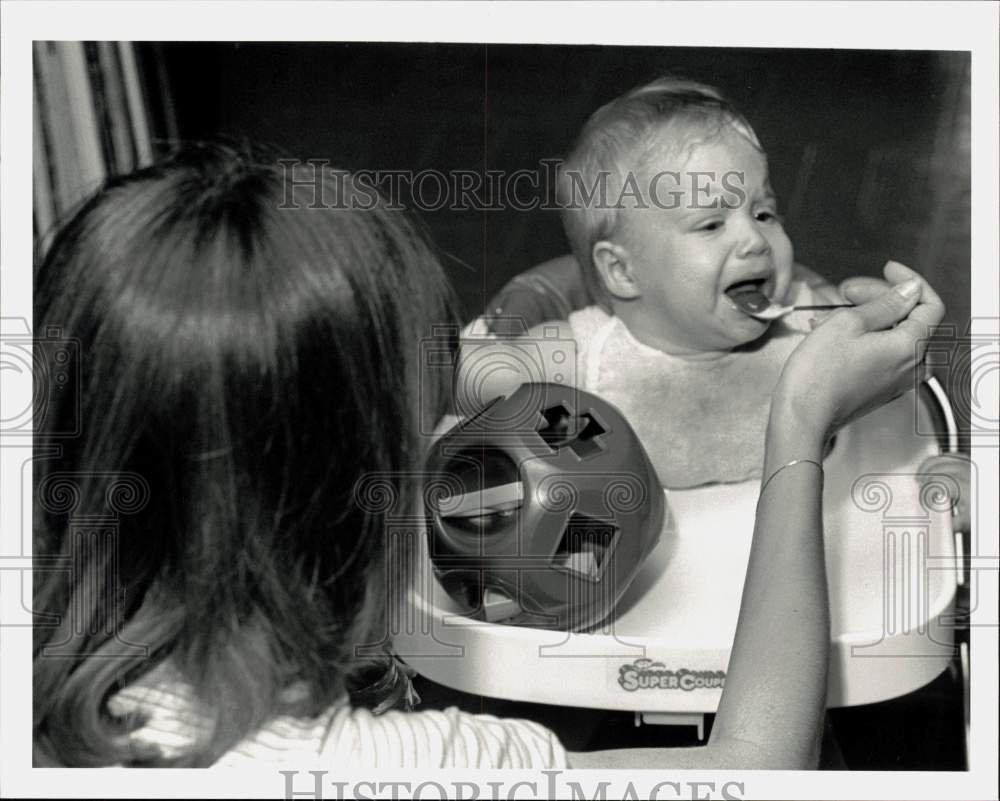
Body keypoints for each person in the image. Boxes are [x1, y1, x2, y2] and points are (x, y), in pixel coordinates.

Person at [32, 142, 944, 769]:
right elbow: (754, 765)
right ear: (352, 503)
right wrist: (800, 427)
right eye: (416, 427)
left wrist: (477, 370)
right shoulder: (427, 766)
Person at [459, 77, 851, 489]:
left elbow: (879, 347)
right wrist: (480, 365)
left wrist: (881, 314)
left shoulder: (807, 326)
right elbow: (479, 377)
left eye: (763, 214)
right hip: (650, 549)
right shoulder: (586, 355)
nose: (755, 241)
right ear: (624, 273)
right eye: (712, 224)